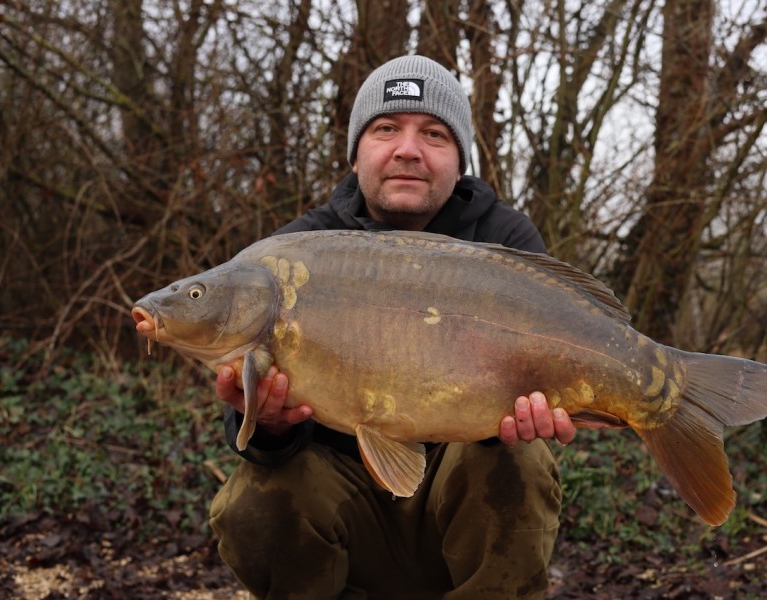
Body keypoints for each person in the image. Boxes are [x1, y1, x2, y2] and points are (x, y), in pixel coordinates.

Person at [209, 55, 579, 600]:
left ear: (460, 162)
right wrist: (269, 425)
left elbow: (547, 384)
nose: (408, 149)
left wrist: (552, 411)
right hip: (350, 516)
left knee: (517, 460)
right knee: (253, 500)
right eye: (386, 129)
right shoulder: (295, 253)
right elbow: (256, 445)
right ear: (356, 154)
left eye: (433, 133)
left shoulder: (506, 241)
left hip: (461, 511)